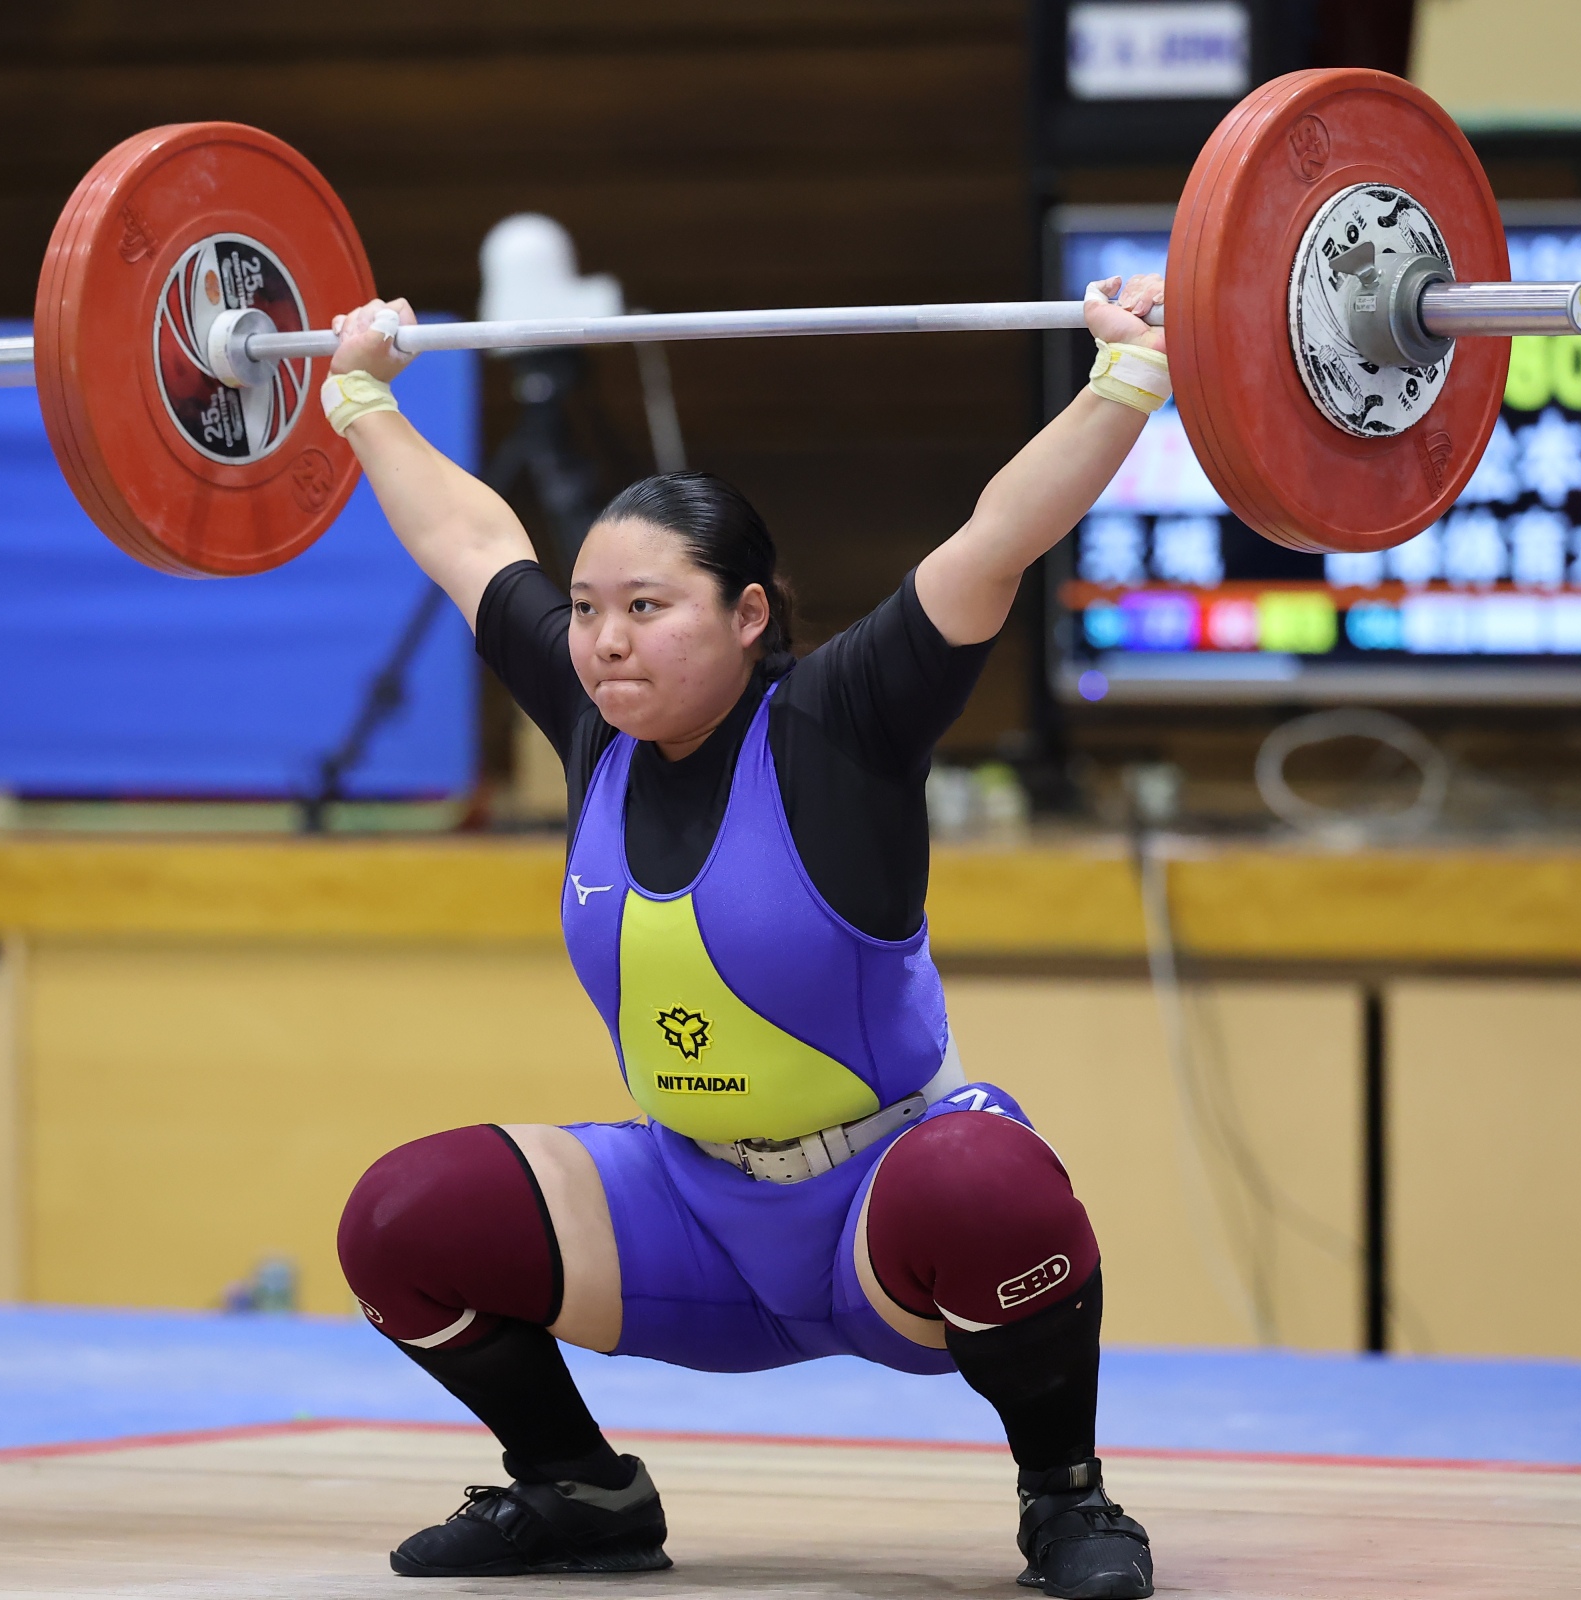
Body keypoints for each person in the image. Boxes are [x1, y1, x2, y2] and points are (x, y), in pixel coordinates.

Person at [328, 275, 1172, 1600]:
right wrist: (359, 395)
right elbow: (468, 540)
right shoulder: (594, 721)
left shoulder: (843, 721)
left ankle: (1066, 1499)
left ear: (750, 615)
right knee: (402, 1220)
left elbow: (998, 539)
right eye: (587, 607)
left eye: (646, 607)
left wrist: (1129, 376)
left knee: (989, 1183)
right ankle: (579, 1491)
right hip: (689, 1213)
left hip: (884, 1218)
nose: (603, 641)